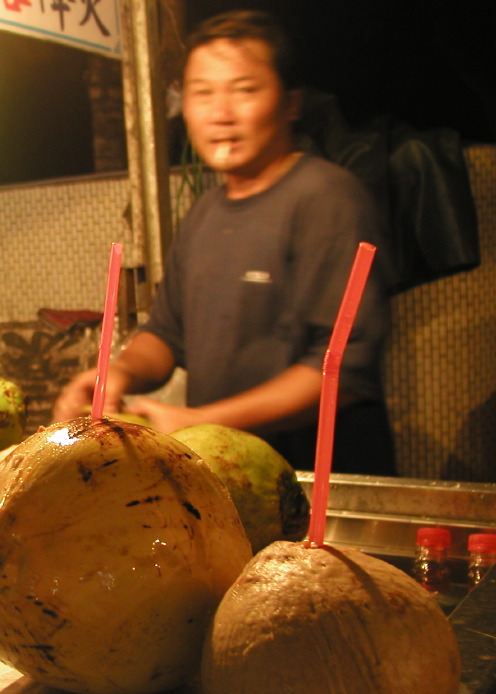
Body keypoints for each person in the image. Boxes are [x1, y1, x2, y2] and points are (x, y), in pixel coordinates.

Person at [52, 10, 396, 476]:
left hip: (318, 482)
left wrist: (199, 422)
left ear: (291, 102)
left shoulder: (326, 198)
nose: (221, 113)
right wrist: (116, 373)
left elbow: (340, 373)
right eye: (202, 92)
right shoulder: (205, 214)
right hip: (226, 476)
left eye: (245, 90)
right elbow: (167, 335)